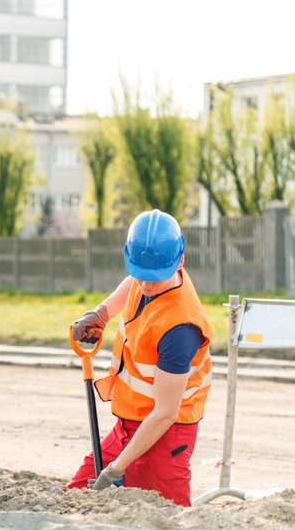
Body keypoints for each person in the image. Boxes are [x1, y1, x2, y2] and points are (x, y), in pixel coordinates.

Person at [66, 209, 212, 507]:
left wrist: (116, 469)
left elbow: (165, 413)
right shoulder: (153, 269)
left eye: (153, 278)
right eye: (140, 273)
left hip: (165, 435)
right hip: (129, 425)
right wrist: (101, 313)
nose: (144, 285)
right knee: (75, 496)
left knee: (163, 516)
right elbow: (134, 283)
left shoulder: (180, 328)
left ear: (180, 261)